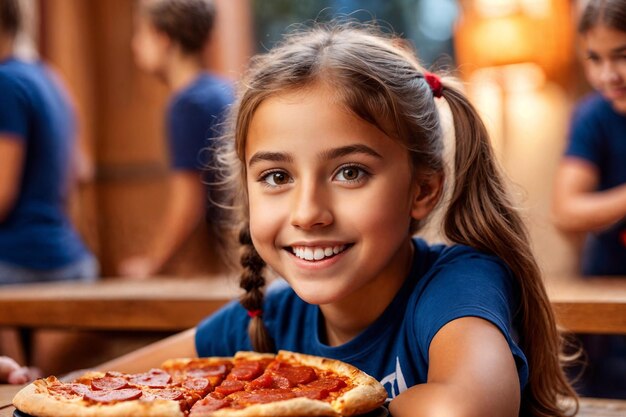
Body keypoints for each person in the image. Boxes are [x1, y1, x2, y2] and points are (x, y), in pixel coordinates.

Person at [100, 23, 579, 416]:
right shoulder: (266, 316)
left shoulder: (458, 282)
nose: (308, 212)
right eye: (276, 176)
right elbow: (111, 386)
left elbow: (468, 409)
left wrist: (302, 402)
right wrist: (28, 381)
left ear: (423, 189)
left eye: (350, 173)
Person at [118, 0, 234, 278]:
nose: (135, 45)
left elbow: (188, 203)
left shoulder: (188, 104)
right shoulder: (221, 89)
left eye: (140, 34)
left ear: (163, 38)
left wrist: (152, 265)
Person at [551, 0, 626, 398]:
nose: (607, 74)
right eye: (594, 58)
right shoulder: (593, 117)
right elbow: (566, 210)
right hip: (609, 287)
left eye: (622, 56)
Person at [0, 0, 98, 284]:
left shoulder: (5, 84)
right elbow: (82, 170)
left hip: (21, 261)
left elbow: (2, 196)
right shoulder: (49, 77)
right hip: (71, 257)